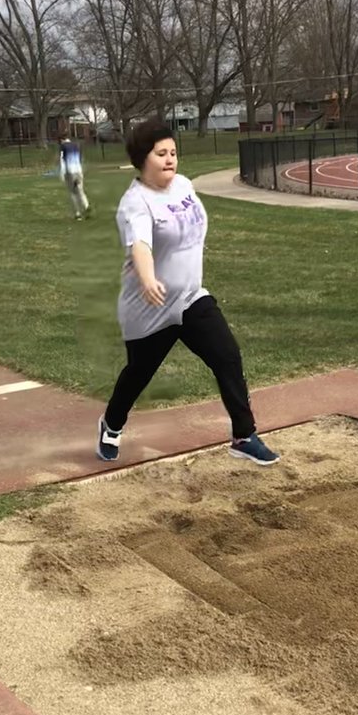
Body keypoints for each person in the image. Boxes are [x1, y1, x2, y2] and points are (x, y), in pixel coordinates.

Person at [96, 118, 279, 466]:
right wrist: (148, 279)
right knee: (138, 374)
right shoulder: (135, 202)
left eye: (173, 152)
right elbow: (140, 246)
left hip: (191, 297)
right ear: (141, 159)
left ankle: (244, 434)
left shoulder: (182, 185)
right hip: (150, 307)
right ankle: (111, 424)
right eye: (160, 153)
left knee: (227, 356)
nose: (170, 159)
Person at [59, 136, 90, 219]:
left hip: (70, 172)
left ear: (62, 140)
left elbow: (62, 161)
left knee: (73, 193)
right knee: (80, 190)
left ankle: (77, 213)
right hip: (78, 171)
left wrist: (62, 173)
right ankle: (86, 206)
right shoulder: (76, 145)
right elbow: (79, 159)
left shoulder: (63, 147)